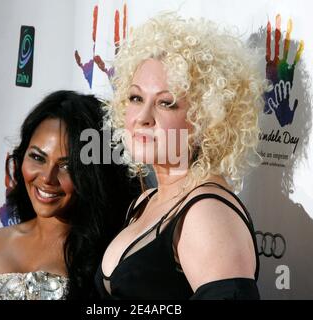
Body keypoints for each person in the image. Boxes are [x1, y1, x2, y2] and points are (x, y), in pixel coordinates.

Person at [95, 12, 266, 299]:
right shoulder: (145, 201)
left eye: (167, 103)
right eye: (136, 98)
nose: (143, 118)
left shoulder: (205, 213)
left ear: (208, 119)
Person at [0, 90, 139, 300]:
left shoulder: (107, 260)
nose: (48, 178)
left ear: (93, 175)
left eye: (67, 165)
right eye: (38, 157)